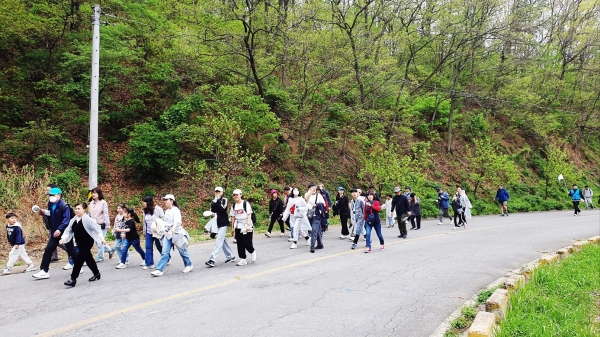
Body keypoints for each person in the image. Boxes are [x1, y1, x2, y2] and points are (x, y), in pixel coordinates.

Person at [32, 187, 77, 280]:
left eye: (52, 195)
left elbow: (66, 220)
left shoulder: (65, 206)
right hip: (54, 232)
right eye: (49, 195)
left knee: (71, 250)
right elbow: (51, 214)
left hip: (64, 232)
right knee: (48, 250)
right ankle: (44, 271)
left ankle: (78, 265)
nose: (50, 197)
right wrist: (43, 212)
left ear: (59, 195)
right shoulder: (50, 204)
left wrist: (60, 229)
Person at [60, 202, 105, 287]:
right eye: (75, 209)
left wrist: (102, 239)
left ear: (84, 210)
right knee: (88, 258)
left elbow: (97, 229)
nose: (76, 210)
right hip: (79, 242)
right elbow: (68, 230)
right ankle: (96, 273)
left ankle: (73, 279)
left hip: (87, 242)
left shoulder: (87, 220)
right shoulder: (73, 220)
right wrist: (63, 238)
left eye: (78, 209)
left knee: (79, 259)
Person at [151, 194, 193, 276]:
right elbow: (165, 222)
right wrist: (163, 230)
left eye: (166, 200)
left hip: (177, 233)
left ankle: (189, 265)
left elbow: (176, 222)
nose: (165, 202)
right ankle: (159, 270)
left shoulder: (175, 210)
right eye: (164, 200)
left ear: (172, 201)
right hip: (168, 234)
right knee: (164, 252)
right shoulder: (166, 211)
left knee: (182, 251)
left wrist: (172, 230)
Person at [205, 187, 236, 267]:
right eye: (216, 191)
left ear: (222, 192)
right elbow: (212, 211)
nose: (217, 193)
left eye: (218, 191)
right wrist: (211, 214)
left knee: (219, 241)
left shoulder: (224, 200)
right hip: (216, 223)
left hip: (223, 223)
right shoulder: (213, 201)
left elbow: (222, 209)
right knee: (223, 240)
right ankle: (231, 256)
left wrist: (218, 200)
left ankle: (212, 259)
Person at [229, 189, 256, 266]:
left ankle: (252, 251)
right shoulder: (233, 206)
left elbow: (249, 214)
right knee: (239, 243)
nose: (235, 196)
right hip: (238, 225)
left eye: (237, 195)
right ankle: (243, 258)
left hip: (246, 224)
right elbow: (233, 217)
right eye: (234, 195)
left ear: (241, 195)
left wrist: (248, 225)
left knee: (247, 242)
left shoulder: (245, 203)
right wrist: (233, 228)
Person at [88, 187, 114, 262]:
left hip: (101, 224)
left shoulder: (103, 202)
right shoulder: (91, 202)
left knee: (99, 241)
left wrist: (107, 225)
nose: (93, 194)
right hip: (93, 225)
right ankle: (110, 250)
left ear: (99, 194)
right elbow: (90, 213)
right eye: (92, 193)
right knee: (97, 241)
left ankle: (101, 256)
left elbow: (106, 214)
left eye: (95, 193)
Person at [142, 197, 164, 269]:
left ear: (148, 202)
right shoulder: (145, 211)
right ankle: (149, 263)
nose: (142, 204)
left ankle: (167, 257)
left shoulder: (158, 209)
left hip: (157, 232)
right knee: (148, 247)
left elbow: (163, 218)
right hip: (149, 232)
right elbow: (144, 222)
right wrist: (144, 231)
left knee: (159, 246)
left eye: (144, 202)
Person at [305, 183, 326, 253]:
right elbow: (305, 199)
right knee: (316, 230)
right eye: (311, 187)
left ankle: (312, 246)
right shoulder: (307, 194)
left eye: (314, 187)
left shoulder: (319, 195)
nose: (313, 188)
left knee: (314, 230)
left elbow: (324, 204)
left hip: (317, 215)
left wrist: (317, 205)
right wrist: (310, 192)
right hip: (309, 215)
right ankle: (320, 244)